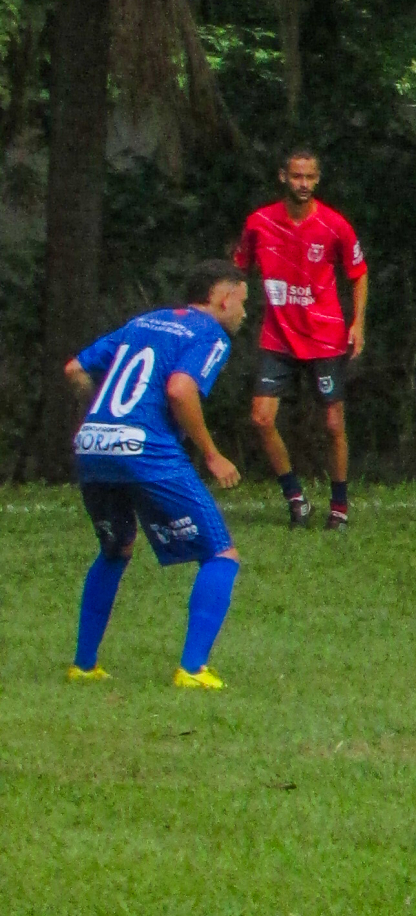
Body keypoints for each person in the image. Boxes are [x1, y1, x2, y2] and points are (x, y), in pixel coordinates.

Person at [63, 260, 248, 690]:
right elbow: (180, 389)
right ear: (223, 299)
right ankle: (192, 670)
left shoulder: (143, 322)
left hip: (93, 443)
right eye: (243, 303)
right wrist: (212, 454)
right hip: (147, 448)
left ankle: (84, 666)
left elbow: (74, 368)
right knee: (221, 554)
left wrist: (100, 417)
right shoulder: (210, 334)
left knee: (116, 548)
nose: (244, 313)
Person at [235, 148, 369, 531]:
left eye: (310, 177)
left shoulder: (334, 225)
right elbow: (237, 269)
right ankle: (296, 499)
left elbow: (359, 272)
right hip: (277, 335)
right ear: (283, 177)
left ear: (318, 179)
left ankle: (339, 507)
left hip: (324, 335)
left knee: (333, 424)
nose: (304, 184)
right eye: (297, 176)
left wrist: (358, 323)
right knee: (261, 418)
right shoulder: (260, 223)